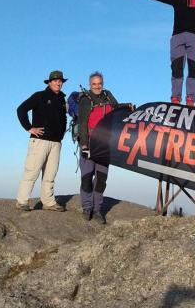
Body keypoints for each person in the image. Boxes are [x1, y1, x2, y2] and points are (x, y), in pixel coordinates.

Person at [16, 71, 68, 212]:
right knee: (32, 172)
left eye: (60, 81)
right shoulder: (40, 96)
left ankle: (48, 202)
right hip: (39, 141)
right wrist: (29, 128)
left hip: (56, 142)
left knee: (50, 174)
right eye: (55, 81)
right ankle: (22, 201)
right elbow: (21, 109)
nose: (58, 83)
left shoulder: (63, 99)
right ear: (49, 82)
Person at [78, 71, 121, 224]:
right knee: (87, 177)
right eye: (94, 84)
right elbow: (82, 123)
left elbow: (117, 112)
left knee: (101, 179)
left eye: (99, 84)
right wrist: (84, 144)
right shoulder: (85, 100)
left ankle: (97, 210)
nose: (97, 87)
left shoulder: (108, 96)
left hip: (105, 144)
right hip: (89, 142)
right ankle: (87, 207)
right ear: (90, 85)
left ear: (103, 84)